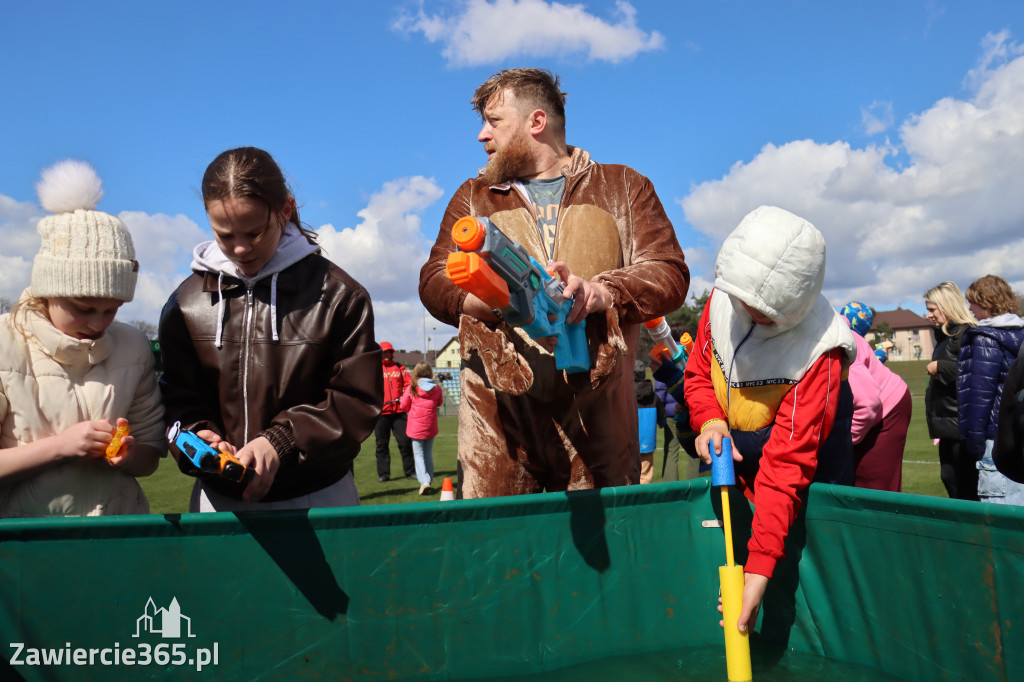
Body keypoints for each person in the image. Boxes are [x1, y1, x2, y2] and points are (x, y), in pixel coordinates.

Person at [418, 67, 689, 497]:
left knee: (604, 563)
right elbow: (434, 281)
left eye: (494, 121)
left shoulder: (622, 185)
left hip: (599, 432)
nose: (481, 136)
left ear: (536, 122)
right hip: (498, 436)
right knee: (501, 560)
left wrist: (602, 292)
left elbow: (669, 272)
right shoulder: (473, 195)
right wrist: (494, 300)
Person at [158, 147, 382, 512]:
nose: (240, 248)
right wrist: (198, 434)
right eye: (224, 235)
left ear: (286, 209)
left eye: (254, 232)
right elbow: (176, 396)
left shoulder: (341, 295)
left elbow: (356, 400)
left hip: (318, 497)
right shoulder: (185, 303)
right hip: (217, 500)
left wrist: (280, 441)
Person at [684, 206, 856, 634]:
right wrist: (710, 421)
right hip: (744, 449)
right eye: (746, 301)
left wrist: (757, 573)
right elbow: (699, 374)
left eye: (768, 310)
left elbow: (786, 469)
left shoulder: (821, 353)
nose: (750, 312)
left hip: (808, 468)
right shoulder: (724, 298)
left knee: (809, 558)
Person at [0, 160, 164, 517]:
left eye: (112, 310)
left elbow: (150, 455)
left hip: (115, 544)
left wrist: (128, 454)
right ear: (49, 289)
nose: (98, 323)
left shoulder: (133, 347)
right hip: (21, 552)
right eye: (84, 308)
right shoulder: (4, 344)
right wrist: (61, 446)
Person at [957, 275, 1024, 505]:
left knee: (998, 510)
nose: (970, 308)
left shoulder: (985, 338)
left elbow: (980, 394)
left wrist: (974, 440)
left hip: (993, 437)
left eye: (973, 302)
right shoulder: (1020, 332)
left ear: (986, 302)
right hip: (1017, 431)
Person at [840, 302, 912, 492]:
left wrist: (847, 441)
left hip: (887, 407)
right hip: (871, 406)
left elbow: (868, 403)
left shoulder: (840, 343)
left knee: (872, 486)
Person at [923, 281, 978, 500]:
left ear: (947, 306)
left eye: (932, 309)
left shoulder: (967, 334)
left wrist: (941, 367)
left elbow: (977, 373)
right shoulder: (944, 338)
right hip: (947, 426)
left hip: (962, 426)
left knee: (966, 485)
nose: (928, 315)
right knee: (950, 479)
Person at [400, 362, 445, 495]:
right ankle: (429, 480)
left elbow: (403, 406)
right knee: (428, 454)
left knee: (418, 455)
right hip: (430, 426)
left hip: (416, 427)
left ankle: (424, 480)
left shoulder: (412, 388)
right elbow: (439, 403)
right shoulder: (437, 389)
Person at [375, 342, 416, 482]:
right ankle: (383, 474)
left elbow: (408, 385)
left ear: (392, 353)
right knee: (381, 445)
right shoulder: (374, 369)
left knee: (405, 442)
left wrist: (404, 400)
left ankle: (410, 472)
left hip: (399, 412)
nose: (387, 354)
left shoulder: (400, 368)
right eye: (384, 352)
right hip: (381, 414)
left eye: (389, 352)